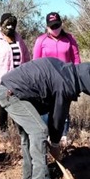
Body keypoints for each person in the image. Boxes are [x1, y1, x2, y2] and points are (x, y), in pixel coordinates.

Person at [0, 58, 90, 179]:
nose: (80, 92)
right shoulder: (65, 84)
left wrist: (54, 142)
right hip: (12, 94)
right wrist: (54, 144)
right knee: (39, 131)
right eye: (83, 90)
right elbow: (58, 115)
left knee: (29, 135)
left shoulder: (66, 73)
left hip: (12, 90)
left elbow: (56, 114)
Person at [33, 12, 81, 144]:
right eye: (52, 26)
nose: (55, 29)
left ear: (61, 24)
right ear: (47, 27)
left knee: (64, 108)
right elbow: (35, 63)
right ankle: (47, 135)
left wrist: (76, 80)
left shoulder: (70, 39)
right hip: (46, 82)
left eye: (57, 25)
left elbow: (76, 60)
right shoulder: (41, 40)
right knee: (47, 109)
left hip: (65, 80)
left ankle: (64, 134)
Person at [0, 13, 31, 133]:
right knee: (3, 105)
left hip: (18, 79)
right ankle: (4, 131)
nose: (10, 27)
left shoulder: (19, 39)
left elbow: (26, 57)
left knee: (18, 104)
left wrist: (28, 73)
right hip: (2, 79)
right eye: (7, 24)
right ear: (1, 25)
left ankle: (19, 130)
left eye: (12, 24)